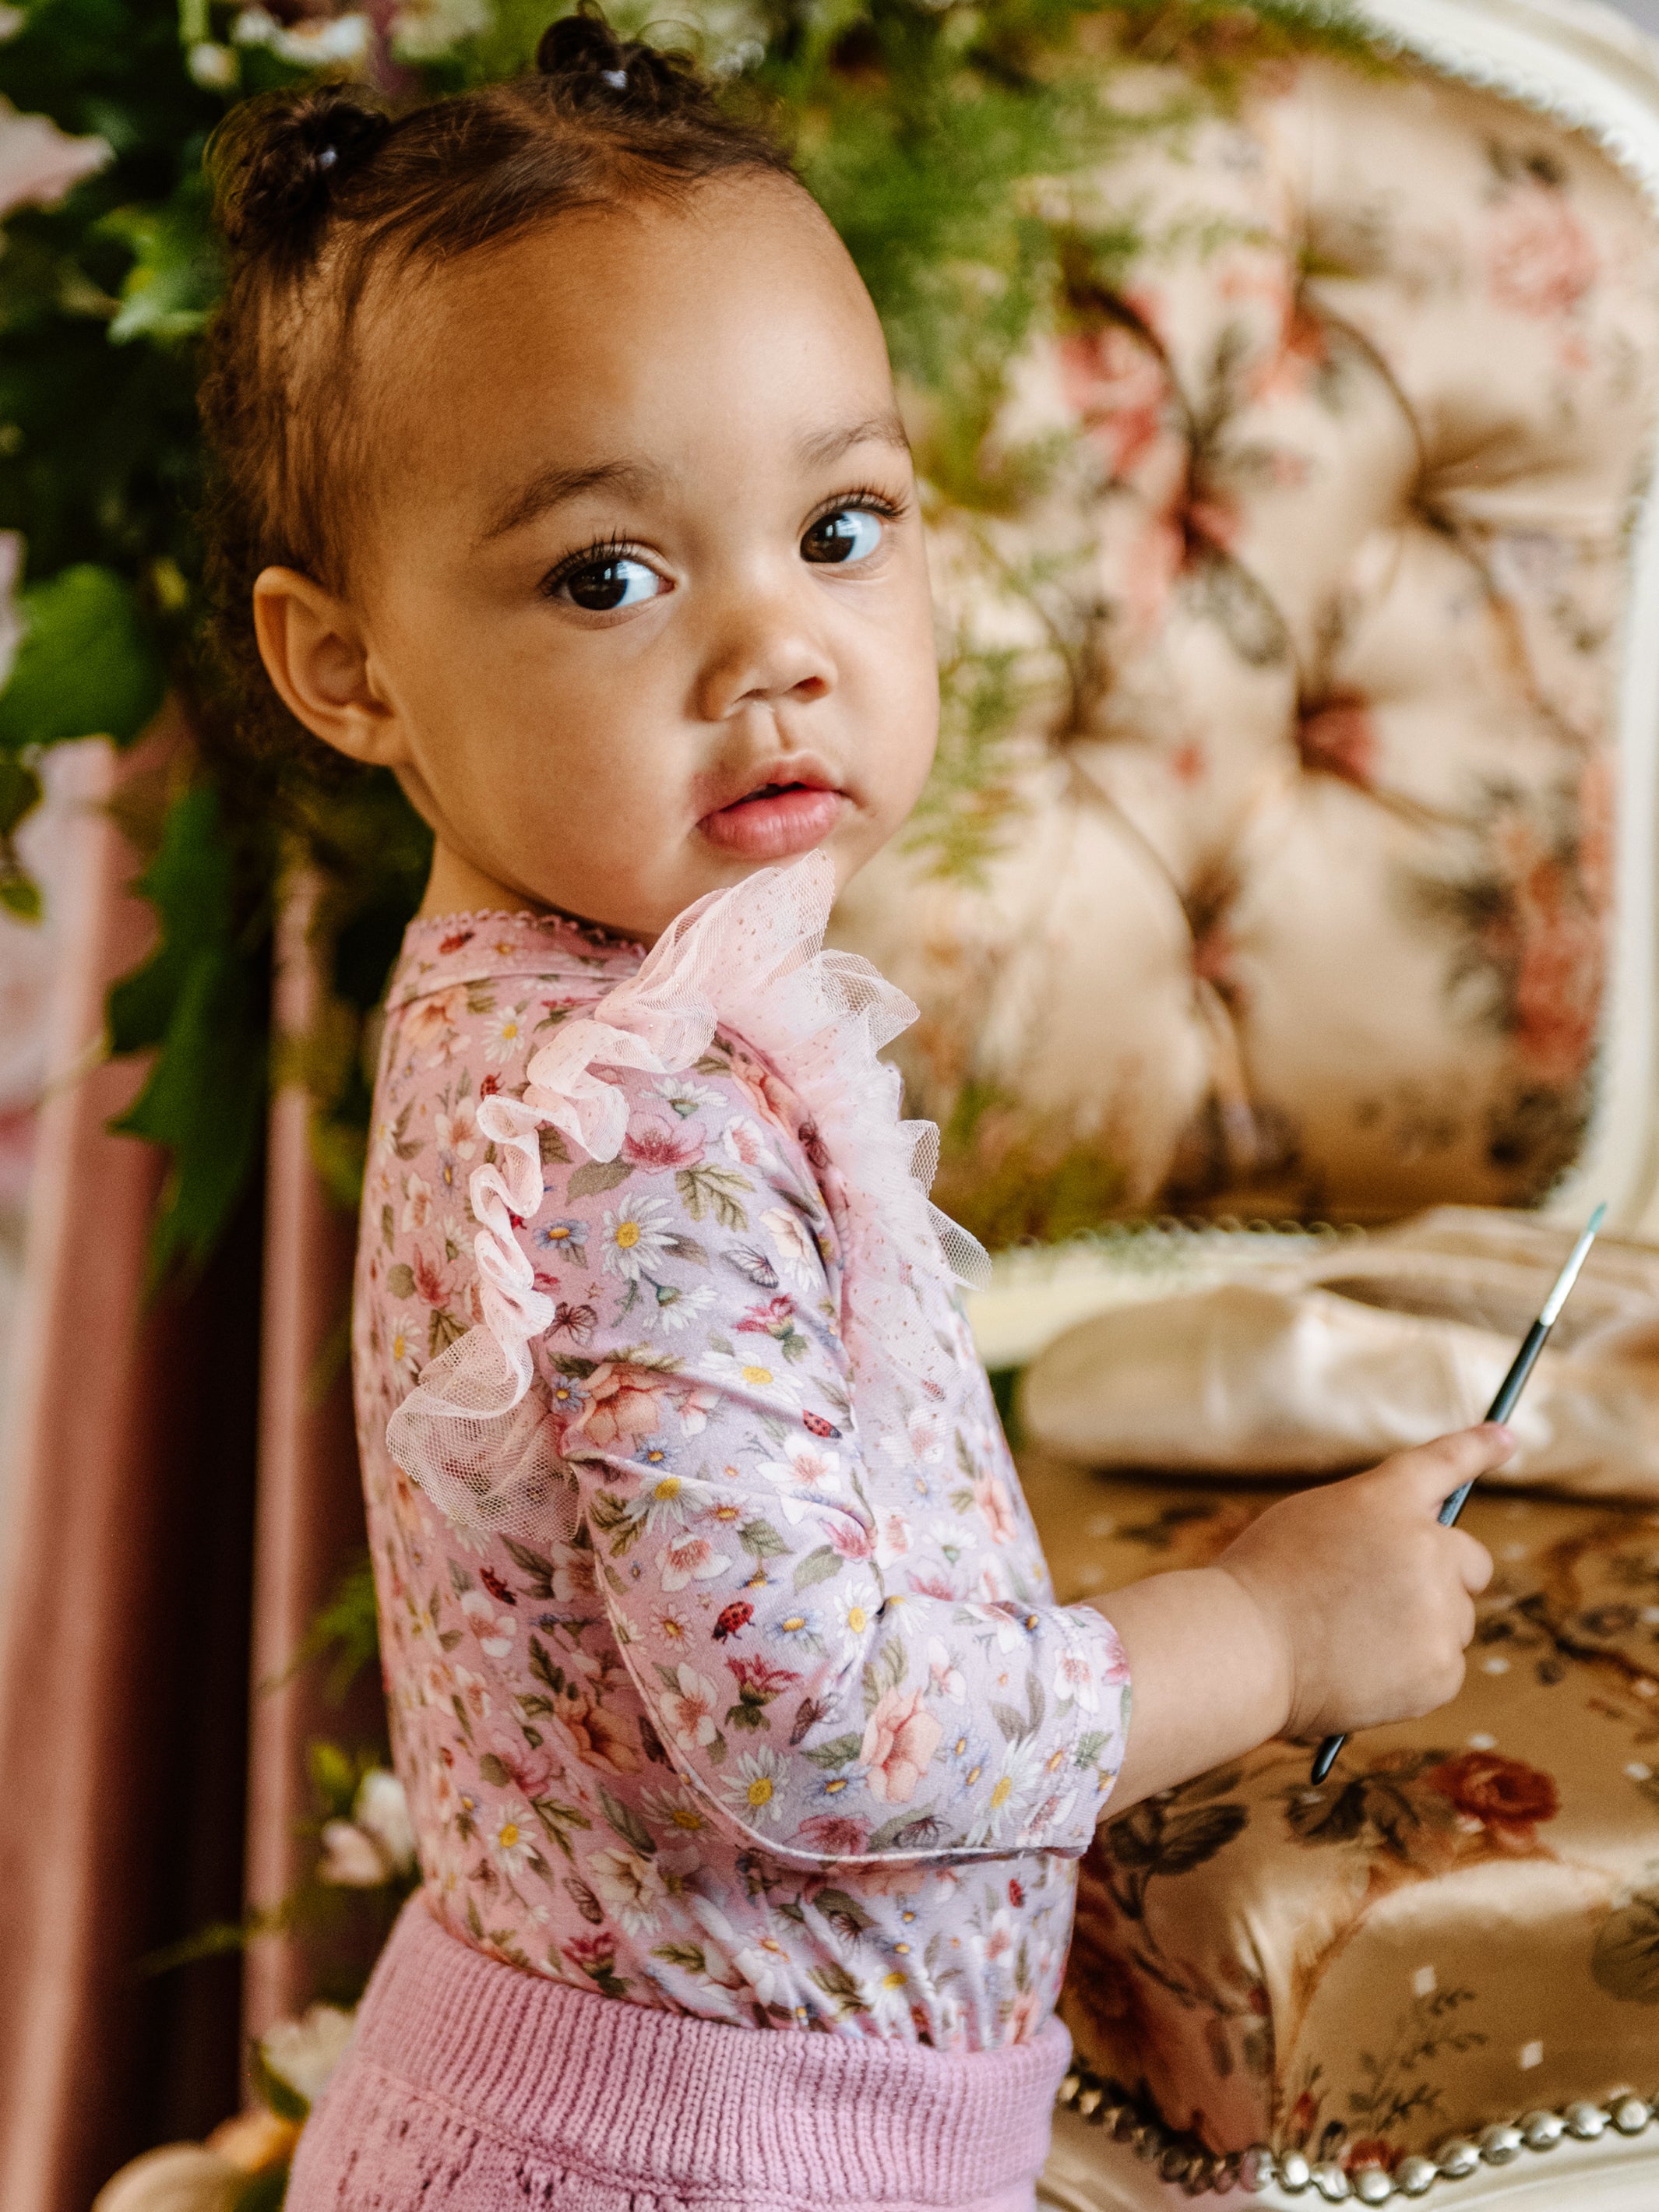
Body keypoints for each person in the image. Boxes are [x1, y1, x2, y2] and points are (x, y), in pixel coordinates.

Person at [201, 16, 1510, 2205]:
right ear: (347, 669)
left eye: (837, 526)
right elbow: (833, 1730)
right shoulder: (608, 1112)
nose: (773, 651)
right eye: (608, 575)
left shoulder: (626, 1005)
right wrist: (1266, 1631)